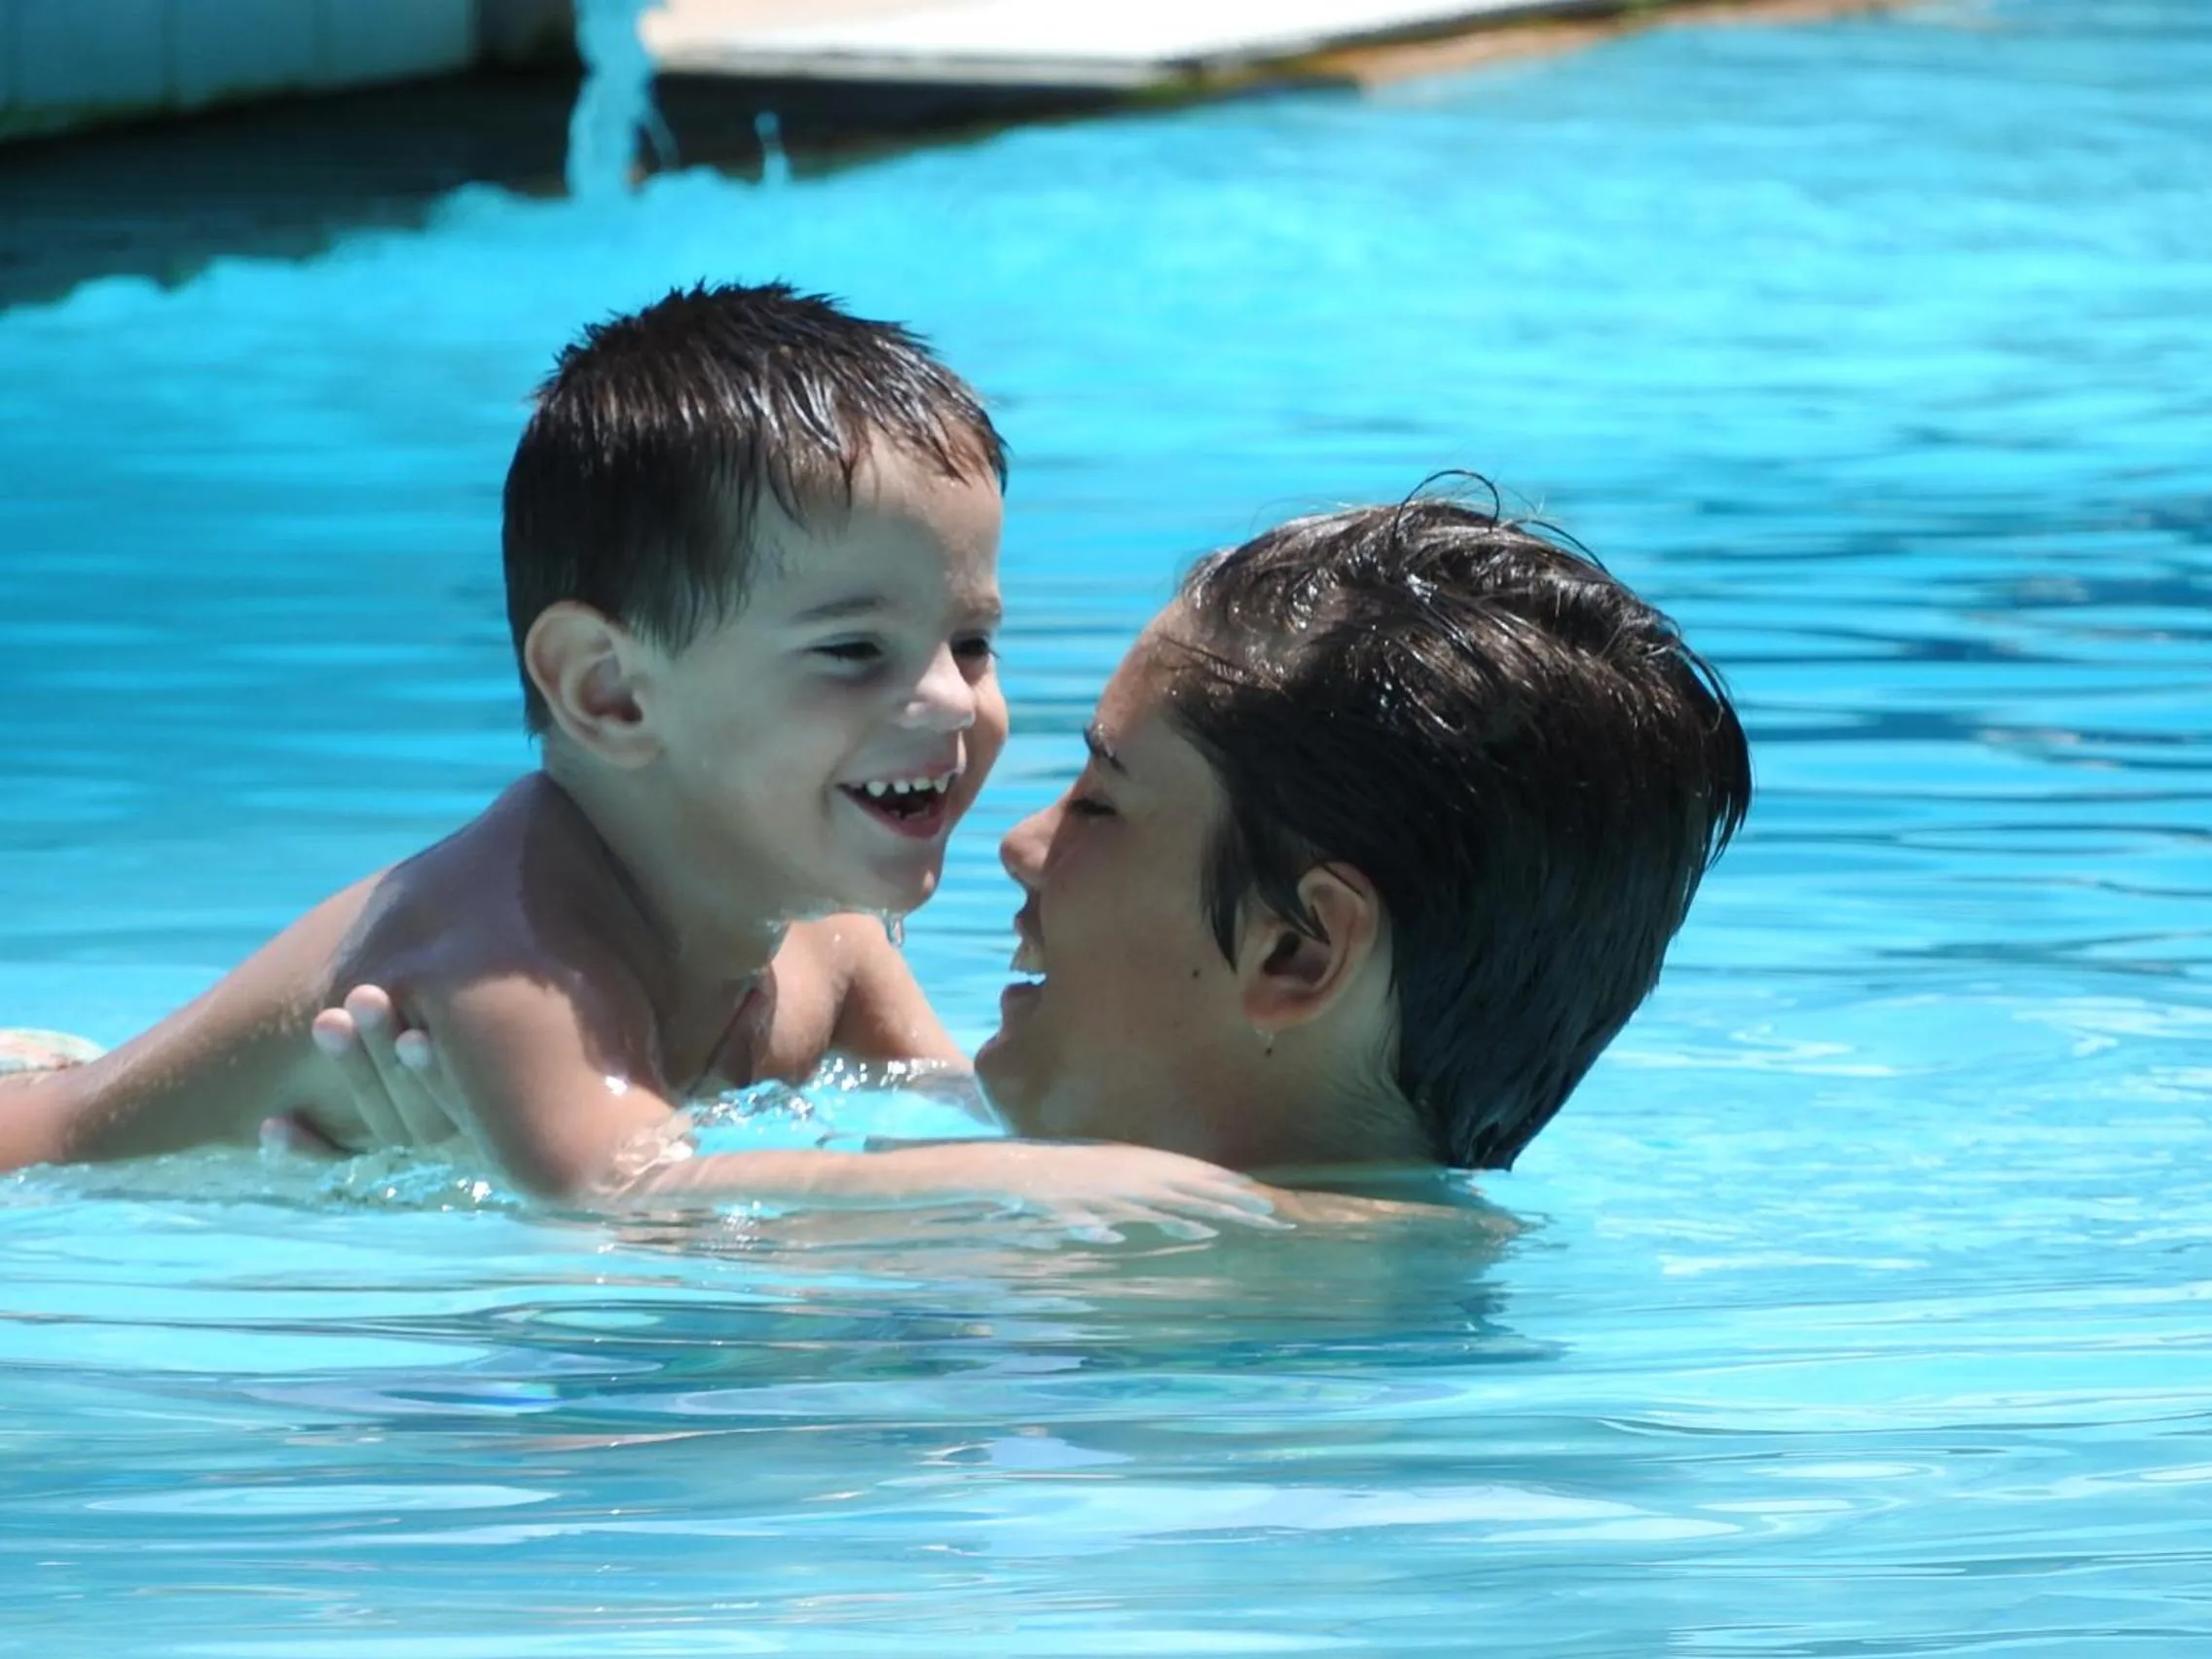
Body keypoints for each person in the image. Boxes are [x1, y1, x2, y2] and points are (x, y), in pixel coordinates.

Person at [0, 280, 1273, 1235]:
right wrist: (1036, 1185)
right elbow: (625, 1194)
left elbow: (948, 1109)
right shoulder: (516, 942)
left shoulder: (829, 939)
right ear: (608, 692)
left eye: (973, 641)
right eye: (853, 651)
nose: (951, 699)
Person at [323, 495, 1754, 1200]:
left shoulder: (1165, 1237)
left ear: (1296, 949)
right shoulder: (1098, 1230)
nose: (1017, 842)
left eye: (1102, 799)